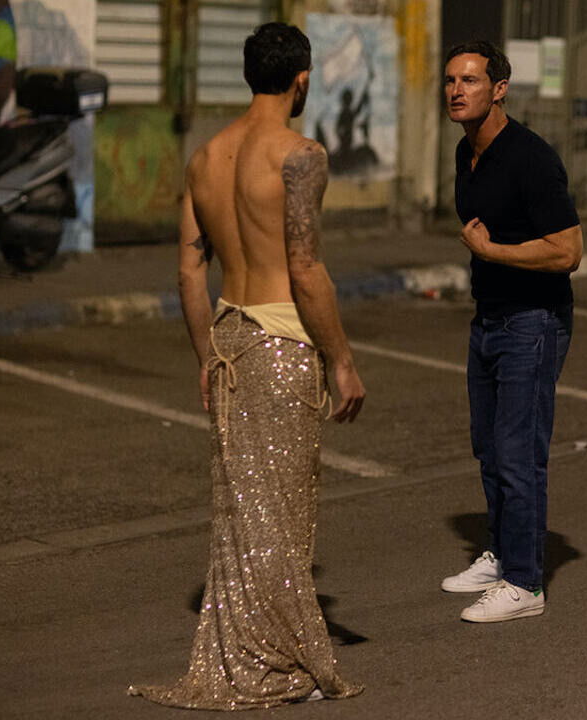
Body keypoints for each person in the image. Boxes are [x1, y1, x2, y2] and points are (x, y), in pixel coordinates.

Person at [128, 23, 365, 709]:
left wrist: (208, 357)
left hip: (230, 339)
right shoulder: (300, 155)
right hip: (285, 343)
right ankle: (279, 661)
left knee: (243, 515)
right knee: (283, 515)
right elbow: (305, 266)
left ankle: (254, 652)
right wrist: (342, 359)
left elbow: (187, 272)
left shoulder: (205, 159)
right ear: (302, 80)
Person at [438, 41, 583, 623]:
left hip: (534, 322)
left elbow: (568, 250)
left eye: (470, 80)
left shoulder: (530, 158)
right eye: (450, 80)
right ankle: (503, 555)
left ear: (499, 88)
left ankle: (526, 584)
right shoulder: (465, 154)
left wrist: (492, 251)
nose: (456, 90)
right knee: (490, 447)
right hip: (489, 320)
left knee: (520, 453)